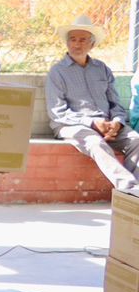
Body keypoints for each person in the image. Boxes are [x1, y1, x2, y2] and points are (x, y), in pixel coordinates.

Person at [46, 13, 139, 194]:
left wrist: (117, 123)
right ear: (67, 43)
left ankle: (132, 194)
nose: (77, 44)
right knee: (95, 142)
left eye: (82, 40)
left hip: (106, 124)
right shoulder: (57, 72)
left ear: (92, 44)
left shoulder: (102, 69)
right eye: (73, 39)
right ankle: (130, 189)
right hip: (71, 125)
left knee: (136, 141)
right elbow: (57, 112)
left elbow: (115, 104)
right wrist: (93, 123)